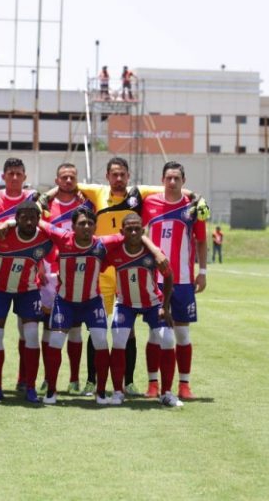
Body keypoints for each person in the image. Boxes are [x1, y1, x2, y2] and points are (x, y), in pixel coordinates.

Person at [41, 156, 208, 399]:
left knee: (129, 331)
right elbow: (69, 185)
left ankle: (129, 382)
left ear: (128, 177)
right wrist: (46, 195)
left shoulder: (140, 193)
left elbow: (172, 187)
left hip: (130, 265)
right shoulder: (97, 192)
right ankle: (92, 381)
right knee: (96, 328)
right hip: (102, 265)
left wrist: (196, 196)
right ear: (107, 176)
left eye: (122, 174)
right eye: (114, 174)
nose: (118, 179)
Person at [37, 207, 168, 405]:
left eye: (90, 223)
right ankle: (51, 391)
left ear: (96, 227)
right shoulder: (62, 237)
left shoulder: (102, 244)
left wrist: (155, 249)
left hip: (92, 302)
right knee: (55, 341)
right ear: (73, 227)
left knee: (100, 341)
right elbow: (39, 222)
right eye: (82, 223)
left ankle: (101, 393)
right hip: (65, 302)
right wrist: (10, 222)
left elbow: (132, 234)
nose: (86, 227)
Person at [142, 161, 208, 401]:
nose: (172, 182)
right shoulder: (149, 203)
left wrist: (203, 272)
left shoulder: (193, 208)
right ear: (162, 180)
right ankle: (152, 384)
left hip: (182, 281)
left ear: (183, 181)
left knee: (182, 335)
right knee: (155, 334)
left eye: (176, 179)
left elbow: (201, 241)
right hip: (154, 280)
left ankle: (184, 385)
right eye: (168, 178)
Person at [0, 200, 53, 403]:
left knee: (31, 334)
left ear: (39, 220)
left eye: (33, 217)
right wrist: (7, 223)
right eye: (23, 217)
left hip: (27, 291)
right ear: (16, 218)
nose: (29, 221)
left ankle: (30, 387)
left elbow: (65, 237)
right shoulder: (0, 232)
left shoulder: (45, 238)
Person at [104, 213, 182, 407]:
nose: (133, 232)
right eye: (129, 228)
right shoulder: (115, 252)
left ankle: (166, 393)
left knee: (167, 339)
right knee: (119, 340)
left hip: (153, 303)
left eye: (137, 228)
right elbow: (97, 266)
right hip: (125, 304)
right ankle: (117, 392)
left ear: (142, 231)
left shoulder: (152, 253)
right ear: (121, 232)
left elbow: (169, 276)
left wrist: (165, 307)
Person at [38, 163, 95, 396]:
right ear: (57, 179)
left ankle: (74, 379)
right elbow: (38, 236)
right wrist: (38, 266)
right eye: (64, 177)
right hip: (49, 272)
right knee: (48, 328)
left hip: (76, 273)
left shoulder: (86, 205)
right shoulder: (46, 205)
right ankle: (47, 377)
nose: (68, 181)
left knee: (74, 329)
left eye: (72, 177)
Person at [0, 158, 38, 392]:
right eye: (11, 174)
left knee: (28, 332)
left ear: (24, 177)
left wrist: (44, 269)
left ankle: (25, 380)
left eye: (19, 174)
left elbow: (41, 235)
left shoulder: (33, 200)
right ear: (3, 177)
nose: (15, 177)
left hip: (29, 279)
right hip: (0, 279)